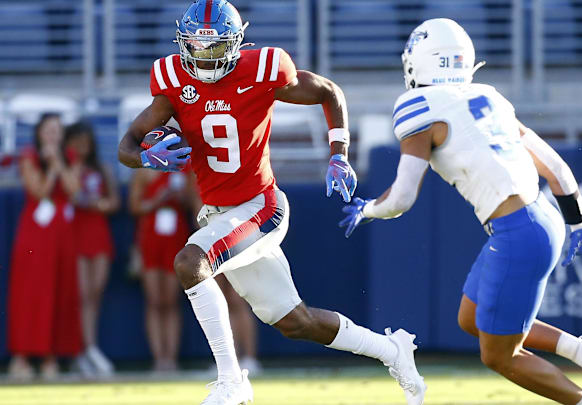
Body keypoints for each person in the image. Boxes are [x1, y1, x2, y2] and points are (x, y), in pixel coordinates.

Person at [117, 2, 425, 404]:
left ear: (234, 44)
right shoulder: (173, 79)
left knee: (191, 263)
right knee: (297, 322)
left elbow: (328, 92)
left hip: (261, 207)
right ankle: (395, 352)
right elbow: (127, 143)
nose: (204, 57)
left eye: (214, 48)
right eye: (197, 46)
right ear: (183, 42)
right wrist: (145, 157)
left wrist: (339, 152)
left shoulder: (262, 69)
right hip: (219, 213)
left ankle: (231, 381)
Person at [340, 19, 582, 405]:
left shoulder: (417, 106)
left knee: (499, 356)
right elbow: (557, 169)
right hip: (542, 216)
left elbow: (402, 198)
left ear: (420, 62)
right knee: (471, 318)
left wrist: (370, 209)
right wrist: (580, 224)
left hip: (518, 230)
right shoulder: (489, 98)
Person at [6, 113, 83, 381]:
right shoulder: (29, 156)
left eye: (57, 131)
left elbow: (74, 190)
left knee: (59, 289)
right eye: (49, 130)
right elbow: (39, 191)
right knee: (31, 292)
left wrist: (59, 162)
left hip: (61, 232)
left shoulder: (70, 156)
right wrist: (51, 167)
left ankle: (52, 356)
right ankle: (23, 355)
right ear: (39, 133)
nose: (53, 135)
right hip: (35, 234)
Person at [65, 121, 120, 378]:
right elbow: (73, 196)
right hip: (75, 232)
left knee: (94, 293)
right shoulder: (68, 170)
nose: (82, 146)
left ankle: (89, 347)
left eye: (86, 141)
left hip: (98, 232)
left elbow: (113, 202)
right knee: (80, 293)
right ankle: (82, 349)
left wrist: (98, 204)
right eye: (77, 141)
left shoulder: (103, 168)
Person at [129, 169, 193, 373]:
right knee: (154, 301)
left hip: (176, 237)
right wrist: (158, 199)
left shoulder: (186, 169)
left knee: (171, 301)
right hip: (150, 238)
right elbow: (135, 206)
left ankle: (171, 358)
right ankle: (159, 358)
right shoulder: (143, 171)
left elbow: (193, 202)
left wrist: (180, 197)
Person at [217, 276, 262, 376]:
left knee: (237, 299)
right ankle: (230, 362)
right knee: (220, 298)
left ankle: (249, 359)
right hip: (212, 260)